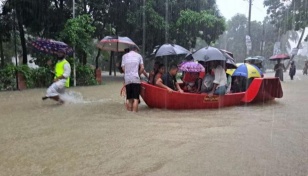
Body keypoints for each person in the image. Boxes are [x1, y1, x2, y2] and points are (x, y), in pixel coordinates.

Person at [121, 45, 144, 112]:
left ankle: (130, 114)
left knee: (129, 99)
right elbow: (142, 68)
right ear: (135, 50)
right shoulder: (139, 56)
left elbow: (123, 68)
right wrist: (138, 74)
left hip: (127, 79)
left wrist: (128, 73)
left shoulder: (124, 56)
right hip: (135, 78)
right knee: (136, 99)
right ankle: (134, 114)